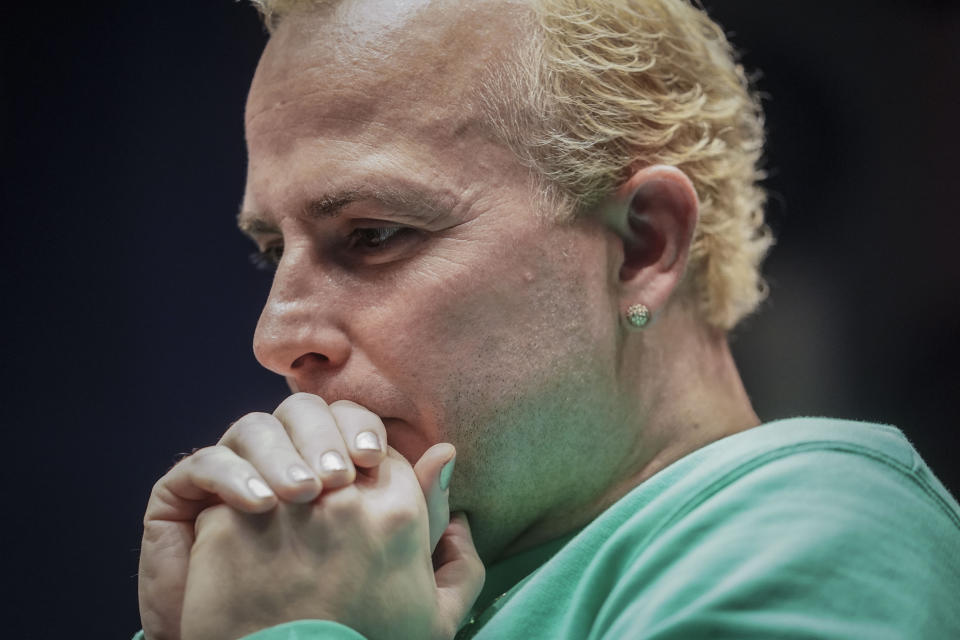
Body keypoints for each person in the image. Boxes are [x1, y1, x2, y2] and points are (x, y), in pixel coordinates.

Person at [135, 0, 960, 638]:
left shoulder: (817, 528)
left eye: (374, 234)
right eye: (271, 249)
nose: (275, 337)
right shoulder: (334, 571)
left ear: (643, 244)